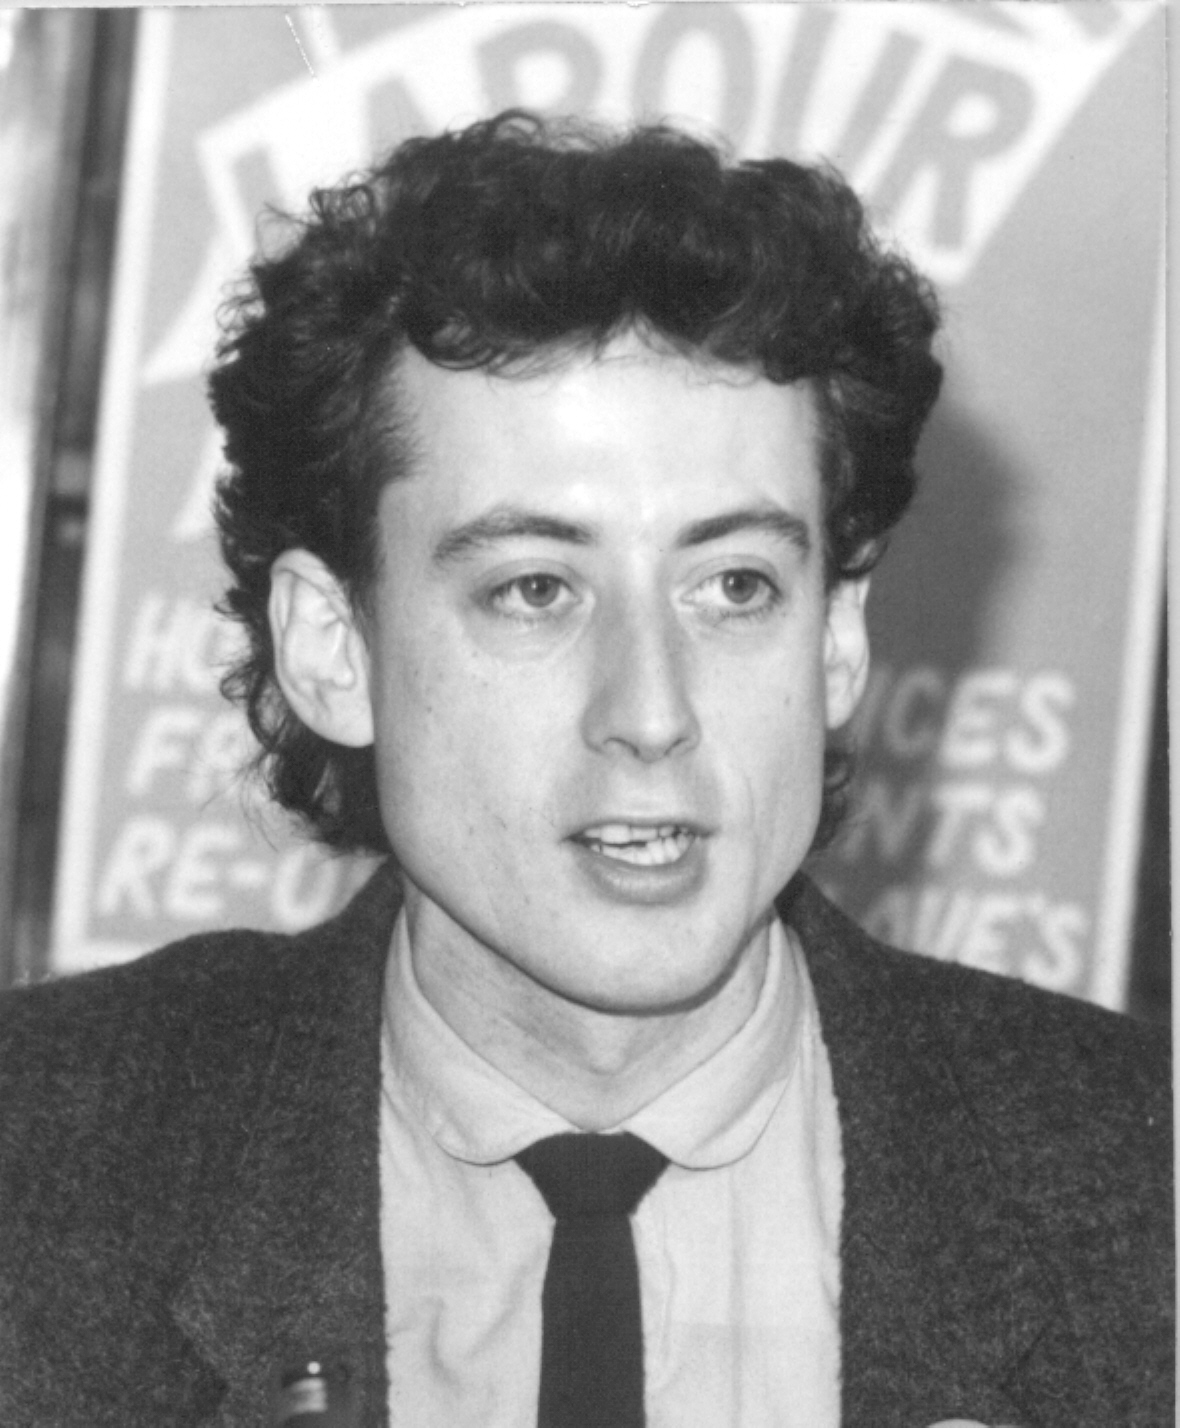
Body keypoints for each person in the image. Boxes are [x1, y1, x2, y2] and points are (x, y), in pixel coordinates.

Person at [0, 111, 1170, 1428]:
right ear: (333, 647)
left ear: (837, 639)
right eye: (536, 590)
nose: (651, 714)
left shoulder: (1142, 1191)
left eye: (735, 585)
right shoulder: (38, 1163)